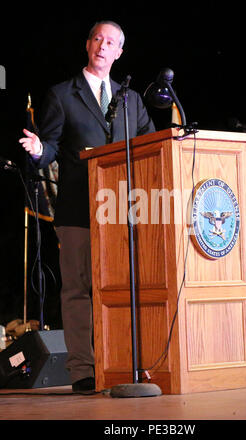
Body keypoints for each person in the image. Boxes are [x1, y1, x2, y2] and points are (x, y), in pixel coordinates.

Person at [19, 20, 155, 394]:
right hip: (78, 209)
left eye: (110, 41)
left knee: (125, 288)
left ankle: (125, 362)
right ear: (87, 44)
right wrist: (37, 151)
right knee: (78, 289)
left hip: (122, 212)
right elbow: (49, 147)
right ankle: (83, 370)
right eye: (97, 38)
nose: (102, 45)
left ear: (119, 52)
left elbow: (150, 145)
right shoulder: (63, 94)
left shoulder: (131, 99)